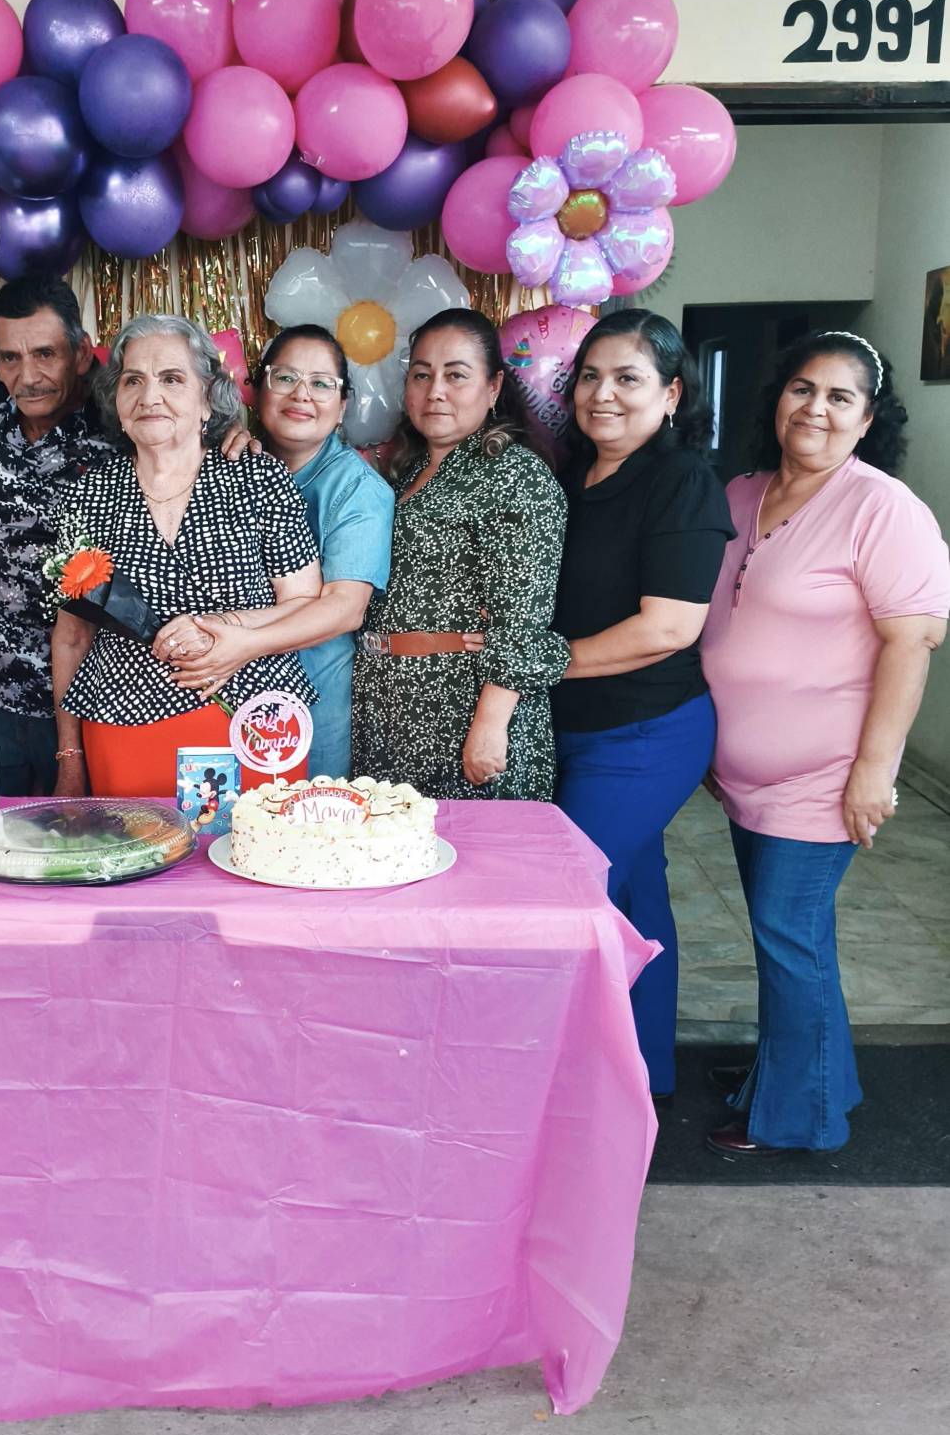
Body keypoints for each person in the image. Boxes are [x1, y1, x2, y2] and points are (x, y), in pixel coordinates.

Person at [701, 330, 948, 1155]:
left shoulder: (883, 509)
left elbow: (910, 644)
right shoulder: (740, 494)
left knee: (785, 937)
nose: (816, 408)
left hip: (823, 774)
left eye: (840, 397)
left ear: (869, 417)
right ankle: (816, 1078)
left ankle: (796, 1120)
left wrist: (874, 776)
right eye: (803, 389)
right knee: (797, 941)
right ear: (777, 399)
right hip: (743, 775)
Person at [549, 311, 735, 1101]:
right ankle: (645, 1076)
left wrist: (547, 666)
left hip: (645, 733)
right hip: (580, 725)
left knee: (573, 896)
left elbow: (669, 626)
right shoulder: (573, 472)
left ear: (671, 393)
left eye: (628, 378)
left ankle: (577, 1084)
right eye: (591, 375)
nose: (604, 394)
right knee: (635, 899)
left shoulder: (680, 478)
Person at [50, 315, 322, 799]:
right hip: (123, 726)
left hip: (253, 723)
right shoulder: (88, 495)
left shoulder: (258, 477)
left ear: (206, 398)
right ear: (117, 398)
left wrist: (225, 627)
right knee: (138, 862)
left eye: (172, 379)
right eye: (134, 380)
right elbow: (72, 637)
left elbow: (305, 602)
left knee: (251, 859)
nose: (150, 396)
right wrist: (69, 758)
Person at [351, 309, 568, 799]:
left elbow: (522, 618)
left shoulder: (515, 475)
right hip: (392, 705)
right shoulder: (408, 471)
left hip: (464, 708)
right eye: (422, 374)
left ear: (493, 388)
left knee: (473, 868)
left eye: (456, 375)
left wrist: (490, 726)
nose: (436, 391)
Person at [166, 326, 392, 781]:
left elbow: (345, 609)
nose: (301, 395)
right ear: (257, 389)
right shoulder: (224, 461)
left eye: (322, 383)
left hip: (309, 699)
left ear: (343, 404)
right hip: (215, 693)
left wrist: (242, 645)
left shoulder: (356, 489)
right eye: (285, 377)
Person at [0, 275, 116, 795]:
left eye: (45, 355)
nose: (26, 376)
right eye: (10, 357)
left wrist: (235, 435)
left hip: (92, 701)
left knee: (87, 851)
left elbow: (197, 426)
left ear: (80, 353)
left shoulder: (123, 416)